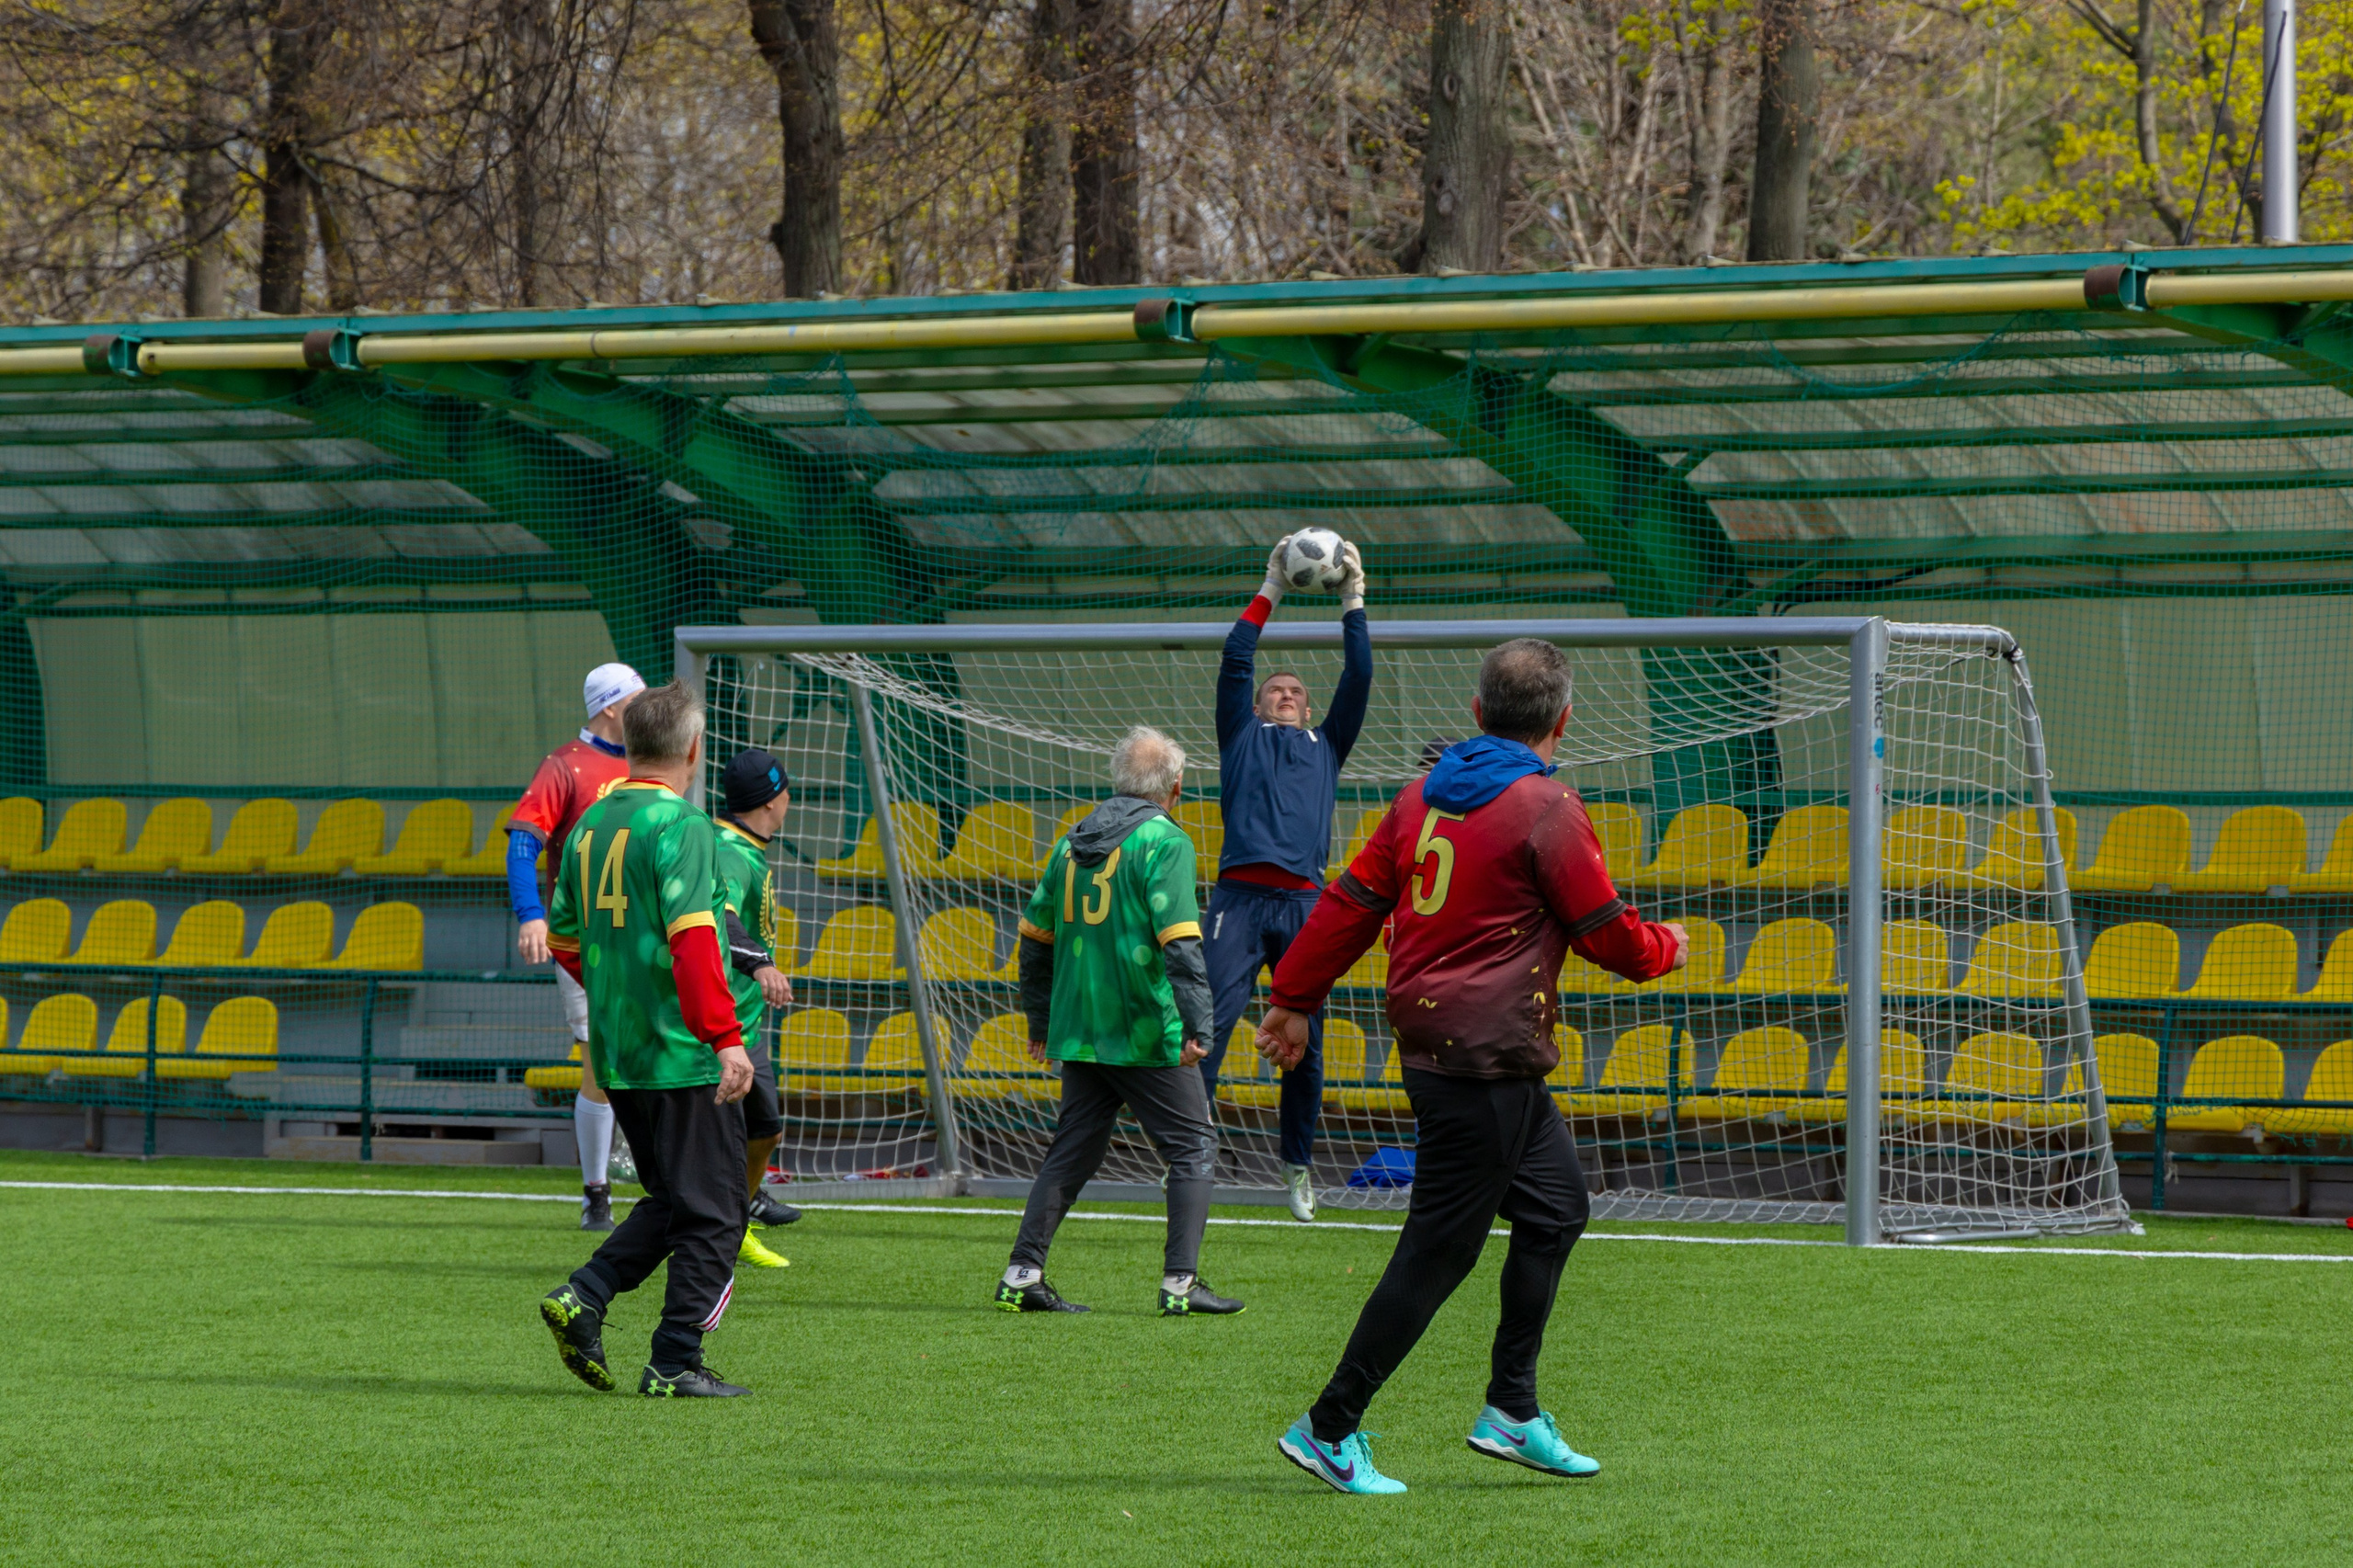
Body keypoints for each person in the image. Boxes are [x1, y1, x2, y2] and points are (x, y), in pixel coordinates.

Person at [1256, 638, 1689, 1494]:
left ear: (1478, 713)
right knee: (1438, 1251)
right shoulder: (1548, 807)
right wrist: (1666, 945)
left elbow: (1350, 902)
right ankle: (1329, 1427)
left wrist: (1292, 996)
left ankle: (1512, 1410)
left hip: (1468, 1052)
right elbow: (1609, 938)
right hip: (1484, 1059)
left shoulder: (1419, 797)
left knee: (1557, 1210)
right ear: (1565, 719)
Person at [537, 681, 757, 1399]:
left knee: (673, 1199)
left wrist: (620, 991)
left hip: (620, 1048)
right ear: (692, 751)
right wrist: (724, 1037)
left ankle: (584, 1295)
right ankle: (674, 1362)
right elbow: (694, 940)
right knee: (717, 1212)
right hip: (679, 1050)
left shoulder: (592, 823)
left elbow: (565, 937)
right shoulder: (683, 825)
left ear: (631, 747)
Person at [995, 726, 1243, 1319]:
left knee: (1073, 1149)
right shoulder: (1165, 841)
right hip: (1140, 1024)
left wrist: (1041, 1020)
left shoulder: (1071, 841)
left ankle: (1022, 1275)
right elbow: (1181, 944)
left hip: (1080, 1024)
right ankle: (1180, 1283)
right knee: (1193, 1145)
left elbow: (1033, 940)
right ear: (1175, 788)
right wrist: (1199, 1027)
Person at [1199, 532, 1372, 1222]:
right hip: (1237, 901)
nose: (1286, 694)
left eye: (1297, 692)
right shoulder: (1239, 735)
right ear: (1258, 704)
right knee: (1206, 1026)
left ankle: (1297, 1164)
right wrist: (1272, 582)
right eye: (1276, 689)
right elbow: (1237, 657)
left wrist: (1353, 598)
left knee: (1306, 1042)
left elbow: (1358, 675)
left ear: (1307, 708)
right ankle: (1191, 1152)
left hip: (1304, 905)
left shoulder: (1327, 744)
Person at [510, 661, 644, 1231]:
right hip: (582, 939)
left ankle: (647, 1172)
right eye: (636, 698)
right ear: (611, 706)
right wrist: (531, 916)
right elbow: (523, 843)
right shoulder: (564, 765)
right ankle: (596, 1191)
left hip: (642, 938)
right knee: (599, 1060)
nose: (646, 707)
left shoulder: (647, 762)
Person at [713, 746, 805, 1268]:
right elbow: (719, 916)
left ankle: (739, 1217)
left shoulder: (747, 846)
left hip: (745, 1022)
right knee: (716, 1147)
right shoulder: (729, 850)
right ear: (771, 800)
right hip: (720, 1025)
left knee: (765, 1131)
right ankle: (720, 1233)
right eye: (786, 790)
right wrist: (762, 965)